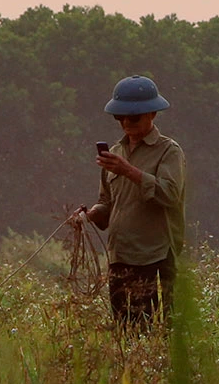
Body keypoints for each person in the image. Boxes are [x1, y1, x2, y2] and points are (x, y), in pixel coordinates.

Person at [70, 75, 186, 331]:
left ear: (152, 114)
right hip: (120, 258)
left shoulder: (169, 152)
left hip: (154, 257)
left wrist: (129, 171)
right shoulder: (115, 153)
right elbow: (107, 204)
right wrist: (88, 215)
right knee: (124, 332)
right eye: (119, 117)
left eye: (132, 117)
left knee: (158, 331)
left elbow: (169, 194)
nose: (125, 123)